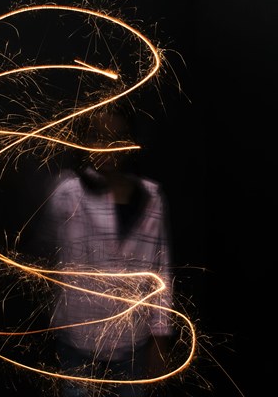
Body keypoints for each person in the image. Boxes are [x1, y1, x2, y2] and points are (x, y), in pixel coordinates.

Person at [37, 106, 174, 397]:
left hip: (131, 343)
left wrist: (160, 337)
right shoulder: (66, 193)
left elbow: (161, 272)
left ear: (129, 141)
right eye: (97, 136)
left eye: (116, 137)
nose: (106, 146)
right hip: (77, 340)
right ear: (84, 141)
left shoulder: (152, 197)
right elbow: (47, 255)